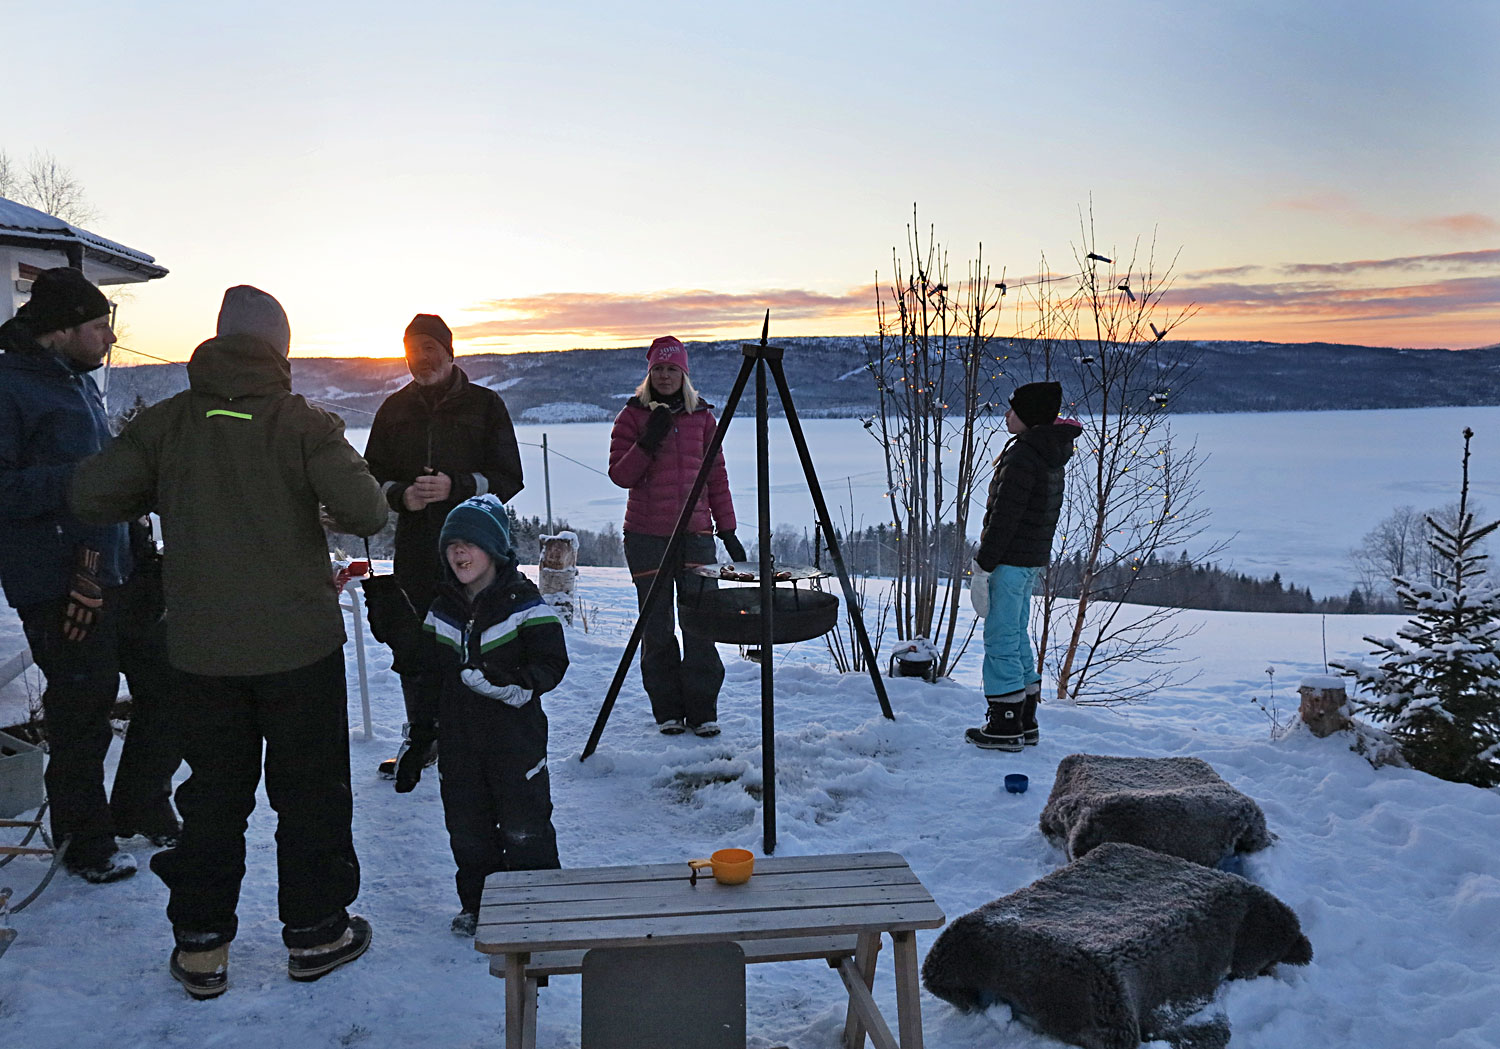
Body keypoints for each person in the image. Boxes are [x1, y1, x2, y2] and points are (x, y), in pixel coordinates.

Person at [71, 286, 389, 998]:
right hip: (300, 648)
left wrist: (162, 491)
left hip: (201, 653)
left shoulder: (169, 423)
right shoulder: (301, 422)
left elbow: (90, 493)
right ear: (278, 347)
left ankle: (202, 947)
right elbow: (368, 508)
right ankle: (316, 932)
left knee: (215, 796)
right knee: (309, 793)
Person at [0, 266, 181, 884]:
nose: (109, 337)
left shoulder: (78, 383)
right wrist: (78, 480)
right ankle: (84, 838)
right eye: (99, 325)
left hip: (119, 569)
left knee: (173, 684)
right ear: (60, 330)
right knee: (83, 709)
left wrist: (139, 535)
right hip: (59, 583)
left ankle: (139, 801)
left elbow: (103, 478)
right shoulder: (9, 387)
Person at [363, 313, 524, 789]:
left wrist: (457, 486)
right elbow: (368, 477)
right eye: (413, 350)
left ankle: (480, 736)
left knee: (481, 641)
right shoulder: (393, 409)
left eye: (431, 348)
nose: (422, 358)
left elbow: (509, 478)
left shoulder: (485, 405)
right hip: (416, 549)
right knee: (416, 645)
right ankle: (423, 736)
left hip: (478, 551)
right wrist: (400, 495)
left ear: (449, 351)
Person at [420, 494, 567, 935]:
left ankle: (538, 899)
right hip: (459, 743)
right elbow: (427, 674)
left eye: (470, 543)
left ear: (494, 549)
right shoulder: (442, 607)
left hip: (514, 740)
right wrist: (422, 732)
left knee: (525, 824)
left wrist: (517, 686)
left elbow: (552, 663)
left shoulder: (524, 604)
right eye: (452, 545)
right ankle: (480, 904)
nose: (459, 552)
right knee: (467, 827)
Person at [608, 336, 743, 737]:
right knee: (658, 627)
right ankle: (667, 710)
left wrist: (729, 530)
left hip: (696, 536)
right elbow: (621, 475)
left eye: (673, 369)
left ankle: (703, 711)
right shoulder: (631, 417)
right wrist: (650, 438)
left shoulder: (702, 418)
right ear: (649, 375)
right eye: (658, 369)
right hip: (647, 537)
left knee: (701, 624)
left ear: (684, 374)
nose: (665, 376)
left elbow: (716, 476)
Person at [966, 381, 1082, 751]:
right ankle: (1025, 718)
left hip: (1010, 559)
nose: (1006, 414)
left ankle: (1005, 723)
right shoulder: (1048, 450)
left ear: (1028, 416)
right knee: (1015, 633)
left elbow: (1005, 517)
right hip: (1029, 559)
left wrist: (984, 565)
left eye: (1013, 410)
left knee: (1000, 635)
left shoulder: (1024, 455)